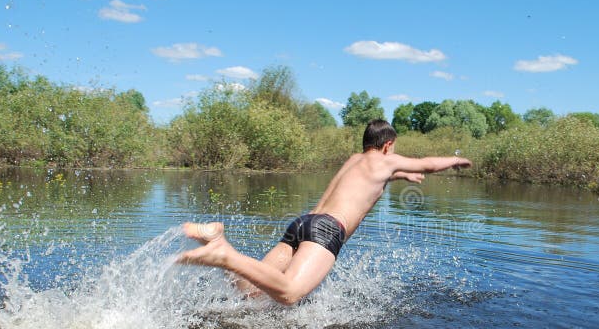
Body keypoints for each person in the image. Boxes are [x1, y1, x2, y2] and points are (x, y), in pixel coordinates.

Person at [177, 119, 472, 305]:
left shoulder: (355, 159)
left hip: (303, 223)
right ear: (388, 145)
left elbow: (365, 182)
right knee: (290, 293)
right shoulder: (386, 161)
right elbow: (428, 163)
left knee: (252, 291)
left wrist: (401, 176)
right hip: (326, 230)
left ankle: (218, 242)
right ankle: (225, 256)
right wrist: (456, 160)